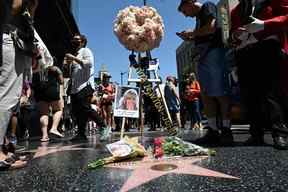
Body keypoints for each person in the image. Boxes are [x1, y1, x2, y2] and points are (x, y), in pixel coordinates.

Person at [230, 0, 288, 149]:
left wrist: (264, 24)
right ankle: (256, 133)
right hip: (245, 52)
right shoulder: (237, 9)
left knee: (271, 93)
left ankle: (279, 132)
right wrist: (235, 35)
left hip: (268, 47)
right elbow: (231, 33)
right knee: (249, 95)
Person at [177, 0, 233, 145]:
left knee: (220, 92)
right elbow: (204, 33)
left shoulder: (207, 6)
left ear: (190, 2)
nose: (185, 15)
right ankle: (213, 130)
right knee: (206, 94)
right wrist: (191, 37)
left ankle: (226, 129)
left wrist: (193, 33)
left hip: (214, 53)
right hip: (203, 56)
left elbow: (212, 28)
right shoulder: (198, 18)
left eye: (184, 11)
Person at [0, 0, 38, 170]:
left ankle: (2, 145)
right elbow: (13, 7)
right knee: (7, 95)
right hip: (9, 36)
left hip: (15, 38)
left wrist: (31, 8)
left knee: (9, 95)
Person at [64, 34, 110, 141]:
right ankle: (81, 133)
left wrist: (74, 58)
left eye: (77, 40)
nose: (74, 41)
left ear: (83, 42)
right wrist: (67, 64)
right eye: (73, 39)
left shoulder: (86, 51)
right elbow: (70, 74)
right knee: (77, 111)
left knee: (85, 108)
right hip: (75, 88)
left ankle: (103, 126)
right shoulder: (75, 54)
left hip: (85, 86)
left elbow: (89, 64)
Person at [32, 65, 64, 141]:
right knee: (58, 110)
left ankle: (44, 135)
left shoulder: (35, 67)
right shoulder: (53, 67)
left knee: (43, 114)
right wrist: (59, 73)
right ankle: (54, 128)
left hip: (39, 91)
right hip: (51, 89)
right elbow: (61, 81)